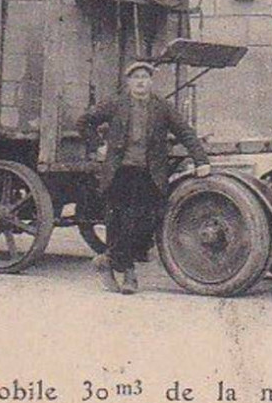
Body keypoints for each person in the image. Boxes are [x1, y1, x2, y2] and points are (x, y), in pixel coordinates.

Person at [79, 61, 211, 295]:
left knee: (142, 225)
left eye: (145, 77)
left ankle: (107, 261)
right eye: (136, 77)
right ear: (129, 81)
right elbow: (84, 122)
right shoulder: (115, 103)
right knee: (117, 223)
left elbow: (185, 132)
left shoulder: (162, 107)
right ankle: (128, 274)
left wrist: (201, 160)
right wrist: (98, 146)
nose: (141, 82)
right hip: (119, 172)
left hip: (149, 174)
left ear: (151, 81)